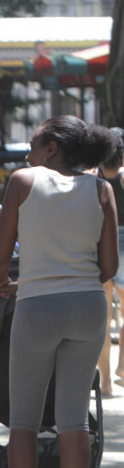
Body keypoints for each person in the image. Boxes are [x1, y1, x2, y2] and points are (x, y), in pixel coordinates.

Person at [0, 115, 119, 468]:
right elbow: (109, 267)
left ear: (51, 147)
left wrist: (1, 283)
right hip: (88, 308)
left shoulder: (23, 181)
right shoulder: (102, 190)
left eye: (33, 147)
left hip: (36, 309)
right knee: (75, 421)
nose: (28, 155)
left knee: (24, 422)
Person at [96, 127, 124, 396]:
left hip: (101, 242)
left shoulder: (93, 176)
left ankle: (105, 382)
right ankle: (122, 367)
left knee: (102, 316)